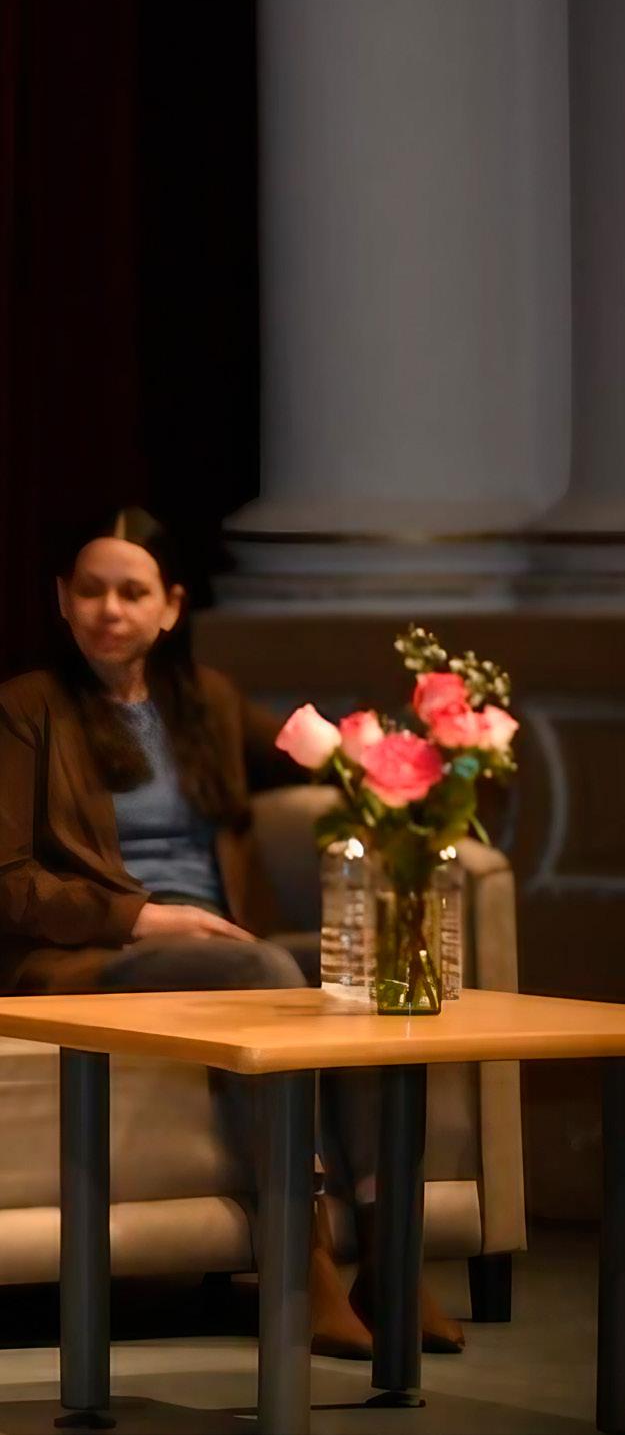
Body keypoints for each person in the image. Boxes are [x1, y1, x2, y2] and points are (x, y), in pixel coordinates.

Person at [0, 507, 464, 1355]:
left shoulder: (204, 701)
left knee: (358, 974)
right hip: (89, 954)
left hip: (217, 948)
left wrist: (409, 775)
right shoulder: (28, 707)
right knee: (262, 969)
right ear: (61, 599)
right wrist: (141, 918)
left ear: (170, 607)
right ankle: (301, 1265)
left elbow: (318, 759)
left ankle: (391, 1256)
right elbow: (9, 880)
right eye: (91, 591)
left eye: (132, 592)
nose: (110, 610)